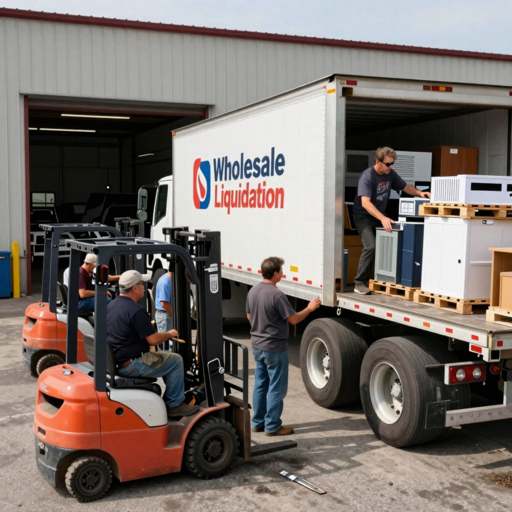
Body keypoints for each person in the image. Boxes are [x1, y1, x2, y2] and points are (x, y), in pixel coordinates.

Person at [106, 269, 198, 418]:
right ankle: (174, 404)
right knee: (176, 361)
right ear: (135, 288)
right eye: (142, 284)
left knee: (164, 358)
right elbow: (153, 339)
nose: (144, 287)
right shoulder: (136, 311)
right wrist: (169, 334)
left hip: (121, 360)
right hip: (133, 364)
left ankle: (175, 393)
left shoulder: (112, 305)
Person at [246, 257, 321, 436]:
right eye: (281, 270)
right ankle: (272, 426)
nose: (283, 273)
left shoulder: (253, 291)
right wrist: (310, 308)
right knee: (276, 388)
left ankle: (257, 422)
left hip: (257, 345)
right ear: (275, 274)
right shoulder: (277, 295)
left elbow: (249, 317)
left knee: (260, 385)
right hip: (274, 348)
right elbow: (293, 319)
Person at [352, 147, 431, 295]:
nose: (391, 167)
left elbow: (405, 187)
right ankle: (360, 283)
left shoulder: (390, 174)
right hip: (364, 217)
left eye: (392, 163)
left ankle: (384, 279)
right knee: (371, 247)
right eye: (388, 164)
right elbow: (365, 203)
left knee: (391, 243)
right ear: (378, 162)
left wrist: (420, 193)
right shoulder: (367, 177)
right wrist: (382, 218)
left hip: (380, 215)